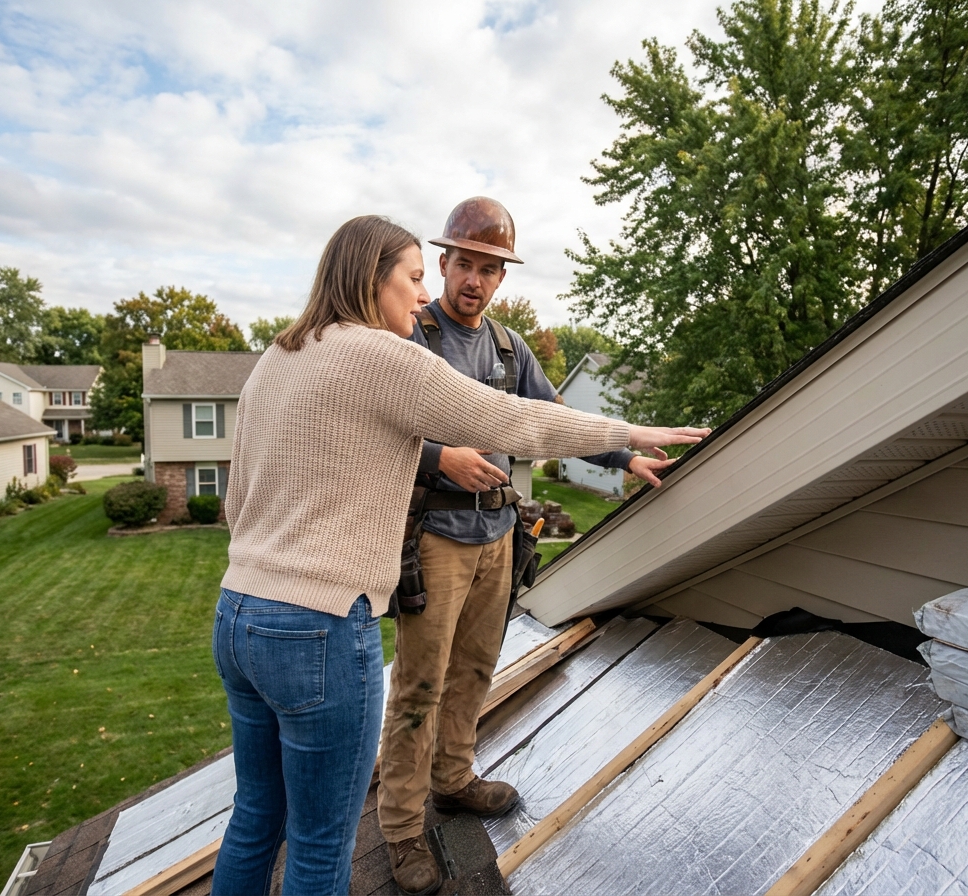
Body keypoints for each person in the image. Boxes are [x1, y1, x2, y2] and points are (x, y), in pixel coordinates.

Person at [208, 214, 709, 896]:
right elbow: (520, 422)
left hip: (238, 615)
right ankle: (405, 827)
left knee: (258, 817)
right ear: (369, 277)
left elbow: (237, 499)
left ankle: (453, 775)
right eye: (414, 278)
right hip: (317, 629)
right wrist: (631, 430)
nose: (421, 297)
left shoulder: (280, 355)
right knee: (322, 848)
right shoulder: (385, 355)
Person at [377, 197, 683, 895]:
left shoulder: (508, 349)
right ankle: (399, 829)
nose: (475, 281)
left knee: (476, 670)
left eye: (490, 270)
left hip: (498, 533)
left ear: (501, 277)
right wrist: (440, 457)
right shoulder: (410, 337)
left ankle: (452, 780)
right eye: (464, 265)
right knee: (419, 686)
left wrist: (622, 455)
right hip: (435, 539)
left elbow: (551, 419)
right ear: (444, 263)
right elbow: (382, 428)